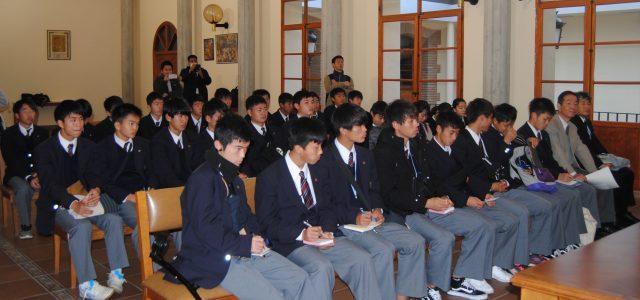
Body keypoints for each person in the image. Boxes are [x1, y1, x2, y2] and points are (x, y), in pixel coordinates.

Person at [168, 114, 314, 300]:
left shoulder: (234, 178)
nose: (243, 156)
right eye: (238, 149)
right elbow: (206, 230)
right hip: (212, 258)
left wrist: (258, 238)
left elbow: (247, 216)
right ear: (218, 145)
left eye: (245, 149)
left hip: (242, 249)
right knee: (270, 295)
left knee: (299, 278)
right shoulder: (202, 180)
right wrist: (245, 243)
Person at [375, 100, 491, 299]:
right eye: (410, 121)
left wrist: (440, 197)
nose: (416, 124)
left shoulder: (416, 145)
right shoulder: (384, 152)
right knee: (441, 238)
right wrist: (426, 202)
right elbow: (390, 194)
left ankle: (433, 284)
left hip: (425, 205)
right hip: (403, 211)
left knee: (477, 225)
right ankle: (426, 287)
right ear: (395, 125)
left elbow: (429, 178)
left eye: (416, 120)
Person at [256, 118, 381, 300]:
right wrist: (302, 234)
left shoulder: (319, 170)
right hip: (292, 242)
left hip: (323, 236)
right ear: (298, 148)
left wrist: (326, 230)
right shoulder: (270, 177)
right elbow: (267, 223)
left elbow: (328, 207)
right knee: (321, 267)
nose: (322, 152)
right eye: (316, 147)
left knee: (362, 259)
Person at [317, 103, 433, 300]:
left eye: (366, 125)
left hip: (370, 218)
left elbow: (374, 188)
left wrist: (377, 208)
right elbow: (324, 203)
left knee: (415, 241)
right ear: (343, 130)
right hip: (345, 222)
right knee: (384, 249)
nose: (365, 130)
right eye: (359, 126)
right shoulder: (324, 159)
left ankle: (403, 295)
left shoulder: (364, 155)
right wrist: (355, 215)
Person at [36, 100, 128, 299]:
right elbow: (50, 185)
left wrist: (95, 189)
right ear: (60, 123)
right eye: (73, 119)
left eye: (81, 119)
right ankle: (86, 285)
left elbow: (95, 174)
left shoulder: (88, 146)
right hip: (58, 204)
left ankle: (116, 273)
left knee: (114, 220)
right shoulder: (45, 149)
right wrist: (72, 203)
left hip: (85, 201)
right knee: (81, 226)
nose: (79, 124)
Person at [451, 99, 542, 272]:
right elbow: (466, 175)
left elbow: (492, 164)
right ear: (483, 118)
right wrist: (487, 189)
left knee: (516, 215)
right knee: (511, 217)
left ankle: (508, 261)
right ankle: (498, 264)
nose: (491, 122)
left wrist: (499, 183)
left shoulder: (481, 137)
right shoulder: (463, 139)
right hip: (475, 193)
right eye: (490, 118)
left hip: (489, 188)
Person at [483, 103, 560, 263]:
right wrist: (506, 143)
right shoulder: (487, 137)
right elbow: (494, 163)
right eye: (505, 124)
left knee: (545, 206)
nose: (508, 127)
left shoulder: (508, 134)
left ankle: (537, 249)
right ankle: (519, 258)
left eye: (511, 124)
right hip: (494, 190)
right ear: (494, 121)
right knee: (521, 212)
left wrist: (528, 140)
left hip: (510, 185)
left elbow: (521, 145)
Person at [516, 98, 589, 253]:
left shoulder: (543, 135)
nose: (547, 123)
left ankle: (570, 239)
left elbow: (550, 161)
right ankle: (549, 246)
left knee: (573, 195)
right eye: (545, 119)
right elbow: (532, 167)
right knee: (560, 199)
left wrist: (562, 174)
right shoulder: (522, 136)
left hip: (548, 177)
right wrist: (556, 177)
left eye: (549, 119)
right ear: (534, 116)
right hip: (534, 181)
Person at [89, 103, 158, 253]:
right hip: (121, 198)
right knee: (144, 224)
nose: (135, 128)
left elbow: (152, 171)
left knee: (175, 218)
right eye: (131, 123)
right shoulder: (102, 148)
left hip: (145, 195)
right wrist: (128, 196)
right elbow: (104, 181)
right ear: (118, 125)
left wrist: (151, 187)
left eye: (137, 124)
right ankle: (152, 270)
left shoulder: (143, 144)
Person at [546, 91, 616, 236]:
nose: (573, 106)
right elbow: (558, 155)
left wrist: (594, 172)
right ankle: (592, 229)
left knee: (605, 184)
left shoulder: (572, 126)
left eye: (575, 103)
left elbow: (582, 150)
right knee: (587, 189)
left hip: (574, 167)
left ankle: (605, 223)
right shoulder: (552, 124)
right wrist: (572, 174)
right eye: (568, 103)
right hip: (561, 170)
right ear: (559, 106)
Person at [571, 92, 639, 227]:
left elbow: (596, 145)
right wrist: (601, 164)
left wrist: (610, 159)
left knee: (627, 172)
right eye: (583, 103)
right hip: (585, 165)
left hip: (598, 160)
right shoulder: (574, 123)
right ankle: (616, 215)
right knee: (617, 176)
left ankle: (623, 211)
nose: (587, 106)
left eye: (588, 103)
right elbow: (583, 152)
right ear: (575, 106)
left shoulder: (586, 122)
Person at [1, 99, 49, 239]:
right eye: (25, 110)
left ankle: (46, 224)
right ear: (17, 115)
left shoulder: (43, 133)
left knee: (52, 184)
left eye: (32, 110)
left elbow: (46, 158)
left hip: (38, 174)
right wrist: (29, 177)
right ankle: (26, 227)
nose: (29, 114)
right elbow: (11, 160)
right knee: (23, 188)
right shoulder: (8, 134)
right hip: (16, 174)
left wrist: (38, 174)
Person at [151, 98, 204, 189]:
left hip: (193, 187)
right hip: (169, 190)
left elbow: (199, 165)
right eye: (180, 116)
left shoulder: (192, 137)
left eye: (186, 116)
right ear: (168, 117)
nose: (184, 120)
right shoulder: (158, 141)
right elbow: (165, 175)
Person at [240, 95, 285, 178]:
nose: (263, 113)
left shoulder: (276, 130)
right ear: (250, 112)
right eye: (259, 110)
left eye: (265, 109)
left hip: (276, 176)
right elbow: (244, 161)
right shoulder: (243, 133)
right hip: (254, 177)